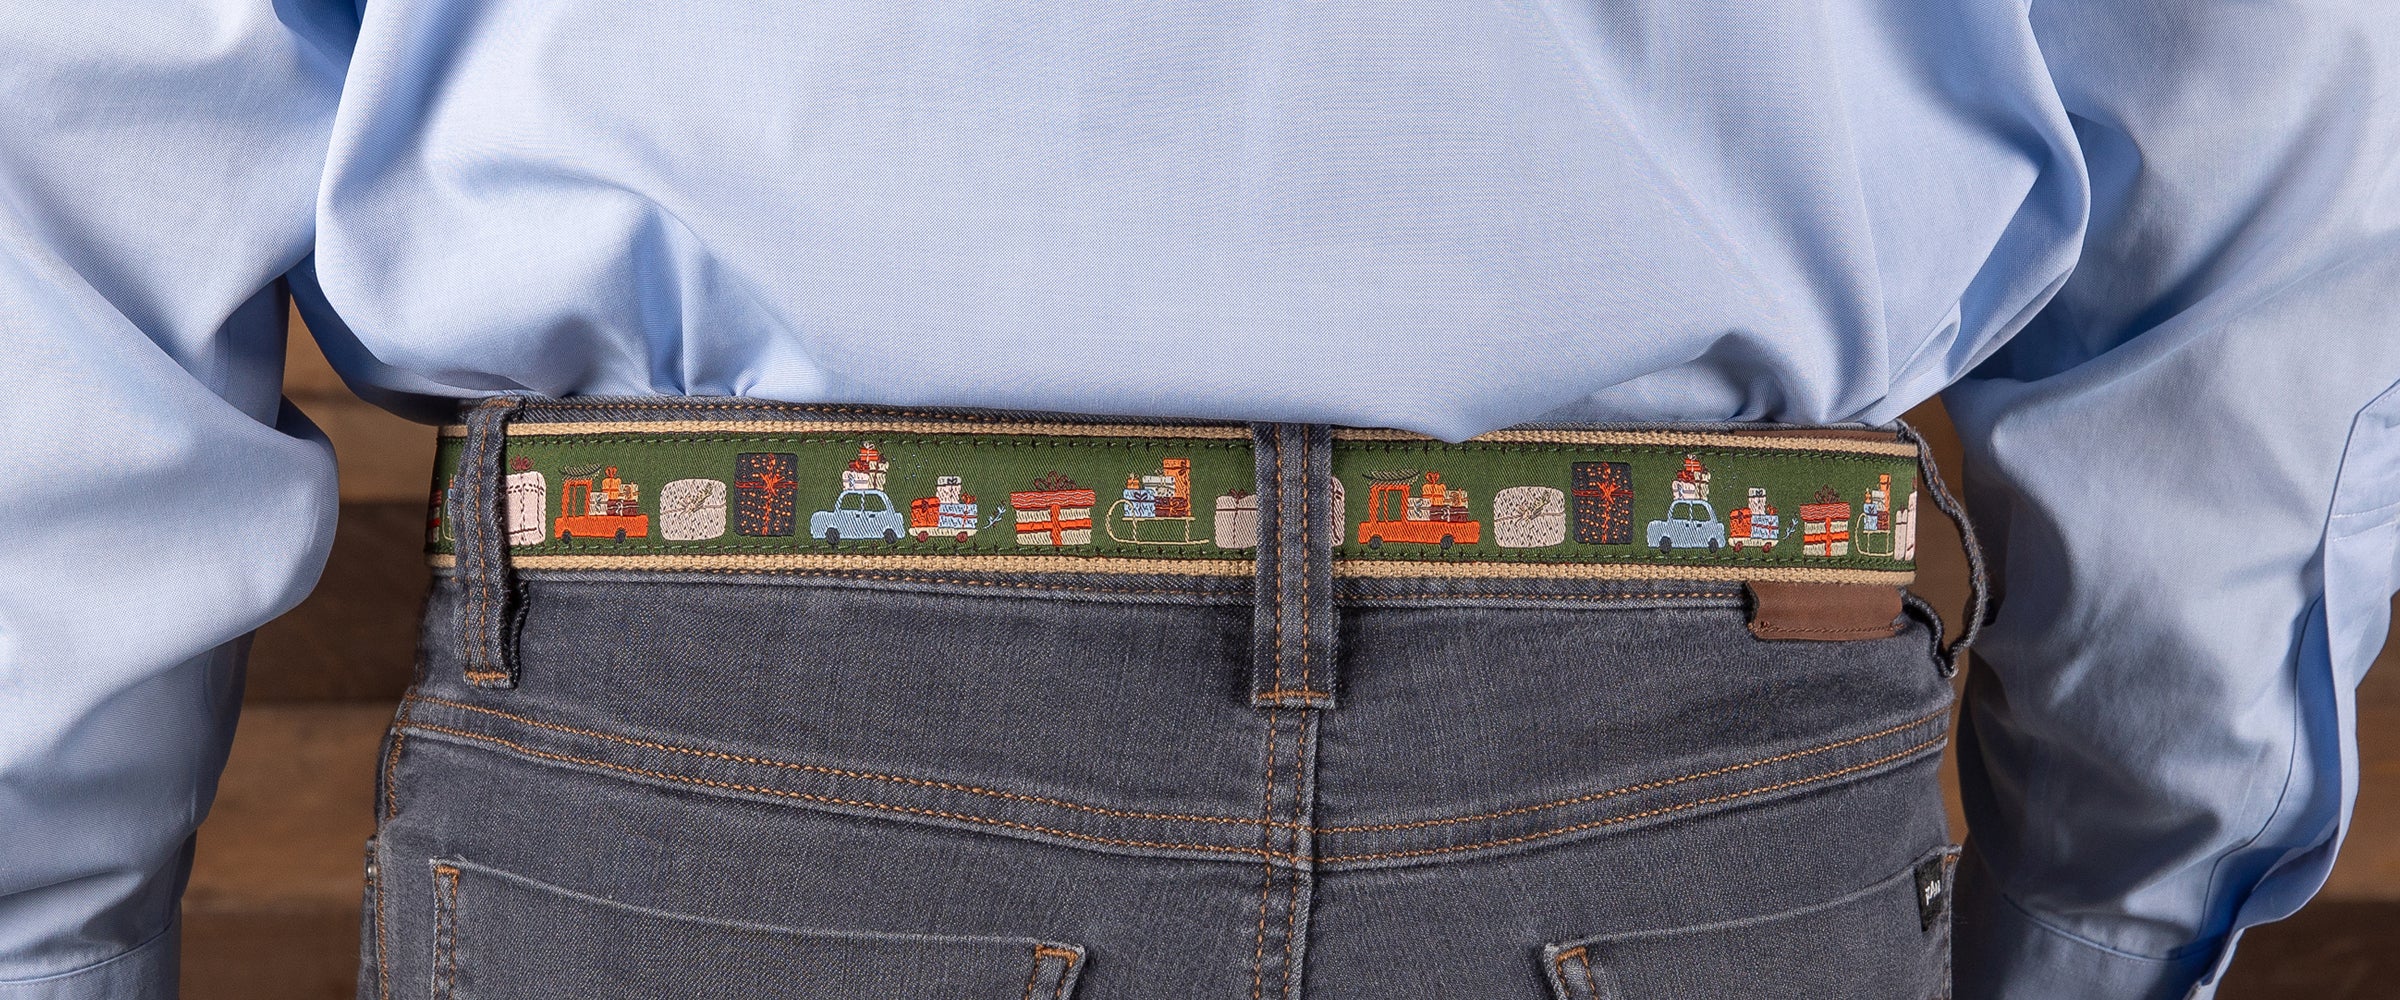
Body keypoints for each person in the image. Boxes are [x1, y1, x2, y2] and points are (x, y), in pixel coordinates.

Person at [1, 3, 2394, 998]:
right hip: (1693, 785)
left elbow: (101, 131)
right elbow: (2258, 132)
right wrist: (2111, 904)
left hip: (702, 763)